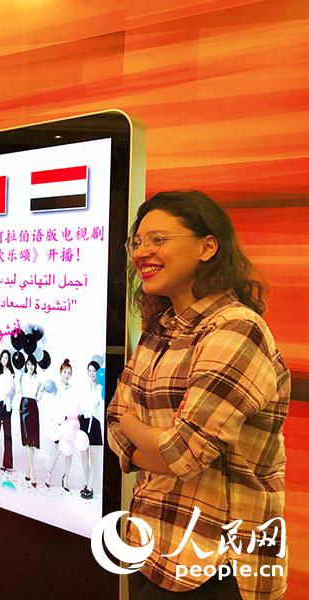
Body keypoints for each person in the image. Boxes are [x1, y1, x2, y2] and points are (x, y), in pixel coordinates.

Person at [107, 191, 289, 600]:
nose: (142, 252)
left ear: (208, 247)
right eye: (137, 242)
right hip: (152, 548)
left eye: (158, 239)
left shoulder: (236, 329)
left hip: (217, 565)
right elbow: (114, 421)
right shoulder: (161, 328)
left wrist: (136, 430)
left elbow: (182, 454)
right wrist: (145, 439)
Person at [43, 358, 78, 490]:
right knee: (56, 451)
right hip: (58, 423)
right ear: (60, 372)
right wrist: (57, 420)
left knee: (69, 451)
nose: (67, 375)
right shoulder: (55, 387)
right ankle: (48, 475)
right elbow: (52, 405)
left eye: (69, 373)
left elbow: (73, 406)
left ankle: (66, 478)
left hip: (69, 423)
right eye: (65, 372)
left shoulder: (72, 389)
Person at [78, 360, 103, 499]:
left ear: (98, 372)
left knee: (93, 458)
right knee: (83, 456)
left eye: (94, 371)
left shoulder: (101, 388)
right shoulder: (84, 388)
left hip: (94, 423)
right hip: (83, 421)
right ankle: (87, 483)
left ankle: (90, 488)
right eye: (90, 370)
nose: (92, 373)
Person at [18, 355, 43, 487]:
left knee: (32, 441)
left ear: (35, 365)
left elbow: (40, 394)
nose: (30, 367)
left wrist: (39, 395)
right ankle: (33, 472)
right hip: (24, 407)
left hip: (33, 407)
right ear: (25, 365)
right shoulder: (22, 377)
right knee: (28, 441)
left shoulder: (38, 378)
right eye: (28, 364)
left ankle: (27, 470)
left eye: (32, 364)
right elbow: (18, 391)